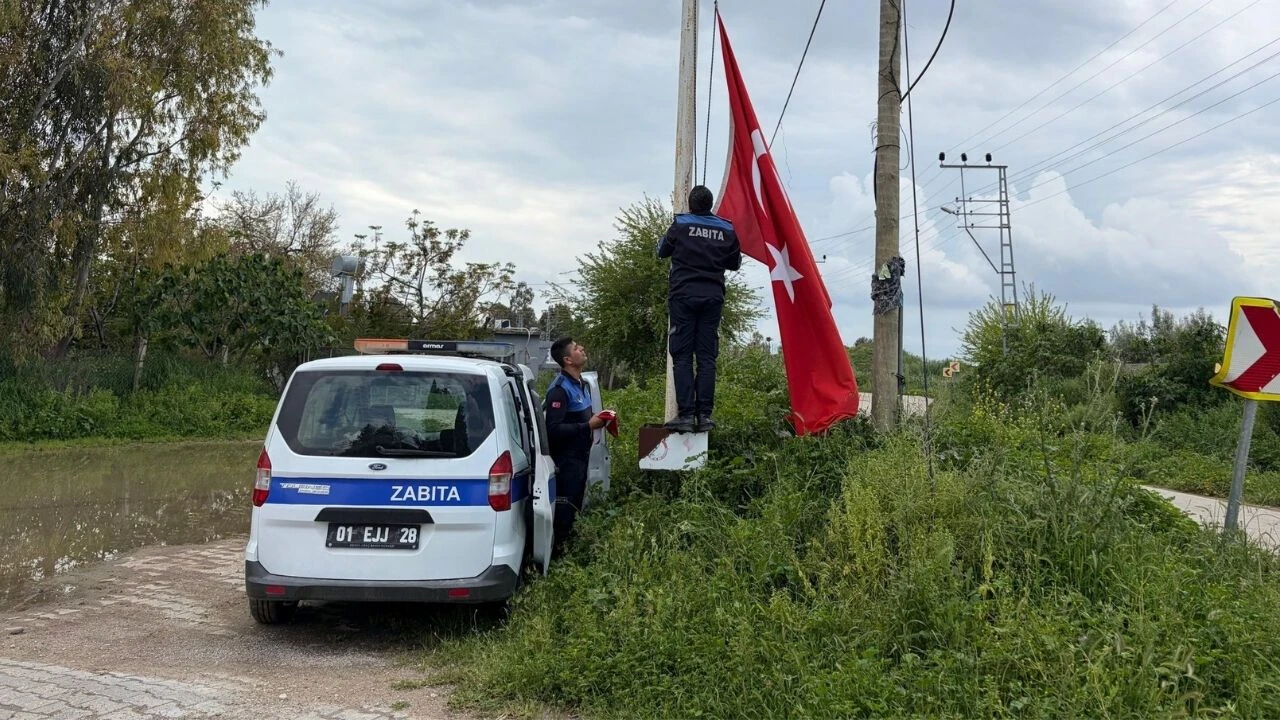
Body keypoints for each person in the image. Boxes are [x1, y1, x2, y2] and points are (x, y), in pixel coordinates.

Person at [657, 184, 741, 433]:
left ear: (690, 204)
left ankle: (685, 414)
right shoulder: (726, 228)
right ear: (710, 204)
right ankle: (704, 415)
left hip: (683, 296)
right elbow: (734, 263)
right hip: (712, 298)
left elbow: (662, 250)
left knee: (682, 356)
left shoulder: (680, 224)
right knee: (706, 358)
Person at [543, 336, 607, 552]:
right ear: (568, 360)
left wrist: (600, 419)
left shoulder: (582, 385)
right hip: (566, 462)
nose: (582, 349)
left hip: (581, 459)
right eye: (577, 348)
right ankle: (559, 556)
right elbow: (552, 429)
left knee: (575, 508)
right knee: (564, 513)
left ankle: (569, 550)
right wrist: (588, 425)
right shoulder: (559, 390)